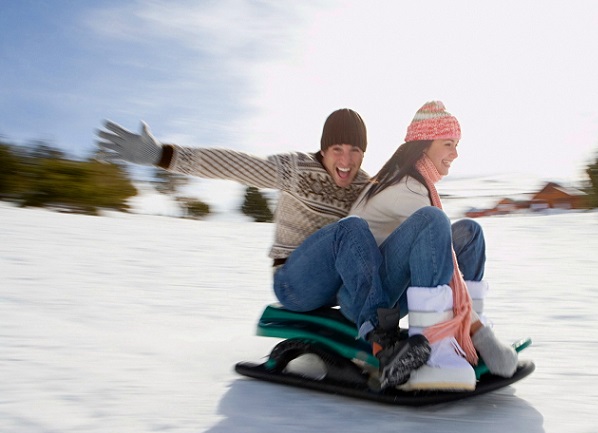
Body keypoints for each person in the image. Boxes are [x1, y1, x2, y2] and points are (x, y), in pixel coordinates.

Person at [96, 109, 429, 388]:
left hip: (339, 289)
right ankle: (384, 345)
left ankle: (434, 333)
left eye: (355, 150)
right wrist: (161, 155)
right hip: (295, 284)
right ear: (324, 149)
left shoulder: (364, 186)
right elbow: (234, 164)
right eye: (337, 149)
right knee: (350, 229)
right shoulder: (295, 169)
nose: (346, 160)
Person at [350, 101, 518, 391]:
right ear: (425, 144)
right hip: (370, 296)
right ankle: (436, 344)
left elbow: (444, 256)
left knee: (469, 233)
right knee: (433, 222)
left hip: (392, 282)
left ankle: (462, 334)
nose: (456, 153)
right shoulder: (407, 187)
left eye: (457, 144)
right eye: (448, 144)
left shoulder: (418, 181)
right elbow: (444, 262)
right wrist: (483, 335)